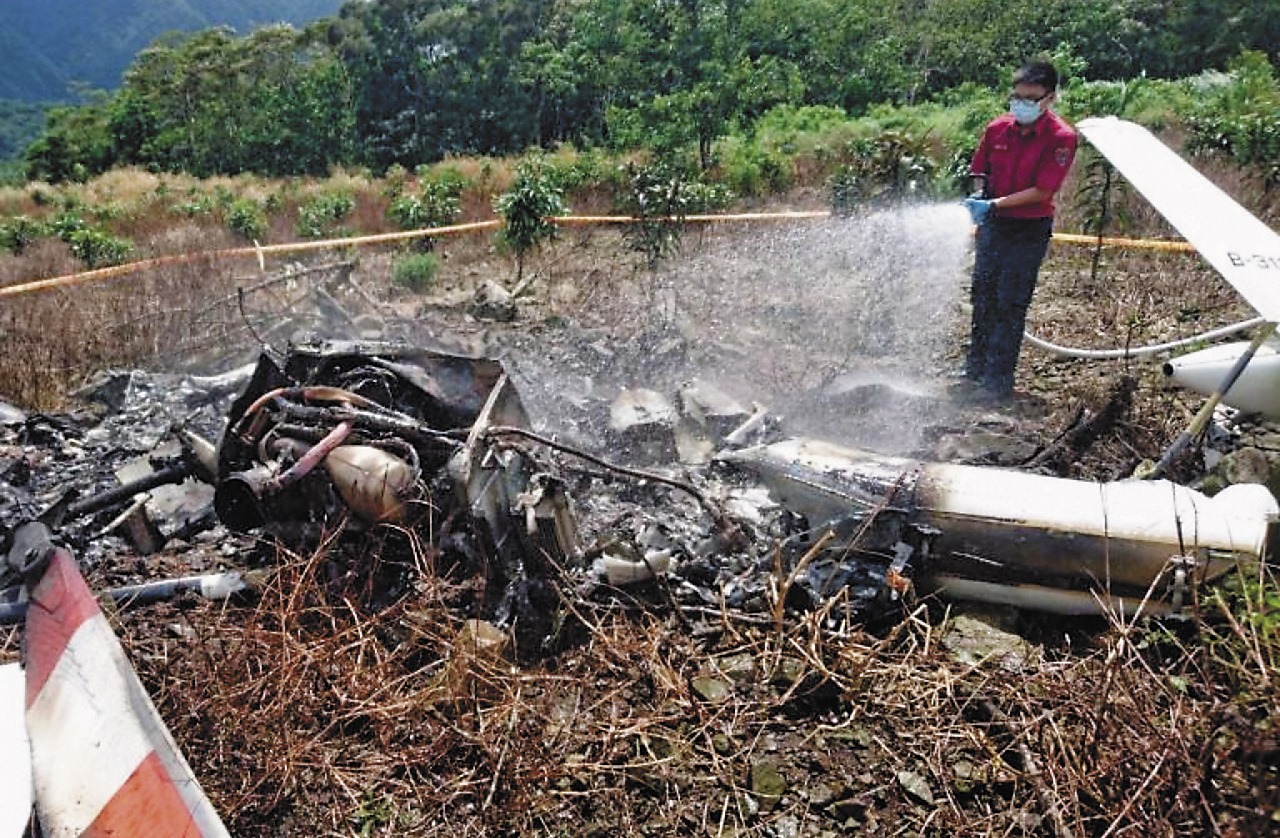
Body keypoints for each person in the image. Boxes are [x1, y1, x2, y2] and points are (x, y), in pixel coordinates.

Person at [960, 59, 1077, 403]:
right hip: (995, 225)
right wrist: (982, 195)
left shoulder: (1061, 138)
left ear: (1049, 98)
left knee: (1010, 301)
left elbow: (1043, 191)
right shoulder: (998, 129)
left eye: (1030, 98)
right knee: (983, 296)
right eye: (1016, 96)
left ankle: (998, 381)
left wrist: (994, 204)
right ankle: (975, 369)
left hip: (1028, 228)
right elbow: (980, 168)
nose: (1021, 104)